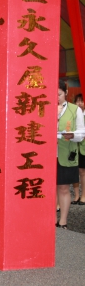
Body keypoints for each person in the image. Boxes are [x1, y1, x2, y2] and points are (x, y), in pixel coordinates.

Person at [56, 80, 85, 229]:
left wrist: (72, 135)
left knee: (63, 188)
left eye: (59, 94)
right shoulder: (44, 109)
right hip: (48, 155)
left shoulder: (75, 110)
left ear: (65, 93)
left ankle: (63, 221)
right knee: (48, 188)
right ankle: (50, 218)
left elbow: (81, 133)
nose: (56, 98)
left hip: (67, 153)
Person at [71, 94, 85, 205]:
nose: (79, 103)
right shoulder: (72, 114)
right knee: (76, 171)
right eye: (77, 101)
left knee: (82, 172)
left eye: (82, 101)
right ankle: (76, 195)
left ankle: (83, 195)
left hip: (83, 147)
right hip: (74, 147)